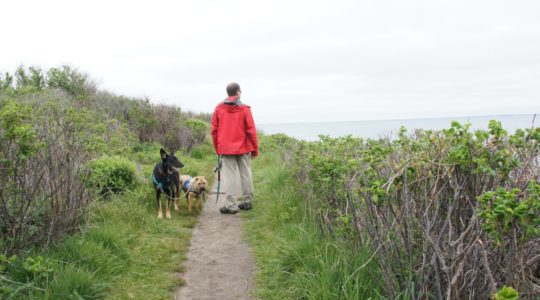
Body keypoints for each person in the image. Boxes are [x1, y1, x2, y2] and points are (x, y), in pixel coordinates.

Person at [211, 82, 259, 214]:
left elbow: (214, 131)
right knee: (246, 173)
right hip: (243, 147)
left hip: (226, 148)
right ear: (237, 92)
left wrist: (217, 149)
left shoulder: (219, 108)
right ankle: (248, 201)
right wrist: (255, 149)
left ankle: (231, 205)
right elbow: (251, 131)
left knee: (230, 176)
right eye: (240, 91)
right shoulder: (245, 109)